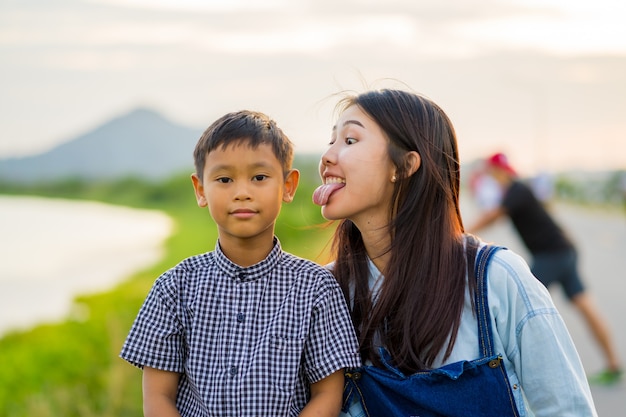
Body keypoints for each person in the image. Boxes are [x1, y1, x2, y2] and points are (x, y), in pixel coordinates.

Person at [312, 89, 597, 416]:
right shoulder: (328, 290)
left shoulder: (495, 278)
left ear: (405, 165)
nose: (328, 156)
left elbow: (567, 409)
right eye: (330, 141)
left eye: (349, 140)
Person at [120, 110, 361, 417]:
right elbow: (158, 397)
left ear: (288, 186)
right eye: (224, 179)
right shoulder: (174, 288)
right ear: (201, 189)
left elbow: (327, 394)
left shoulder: (316, 288)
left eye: (259, 177)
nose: (242, 193)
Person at [468, 152, 622, 386]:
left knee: (519, 306)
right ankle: (613, 364)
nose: (490, 175)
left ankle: (522, 377)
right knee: (585, 306)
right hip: (563, 251)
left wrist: (462, 232)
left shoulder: (516, 190)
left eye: (490, 171)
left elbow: (493, 216)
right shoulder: (517, 190)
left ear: (498, 171)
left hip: (551, 255)